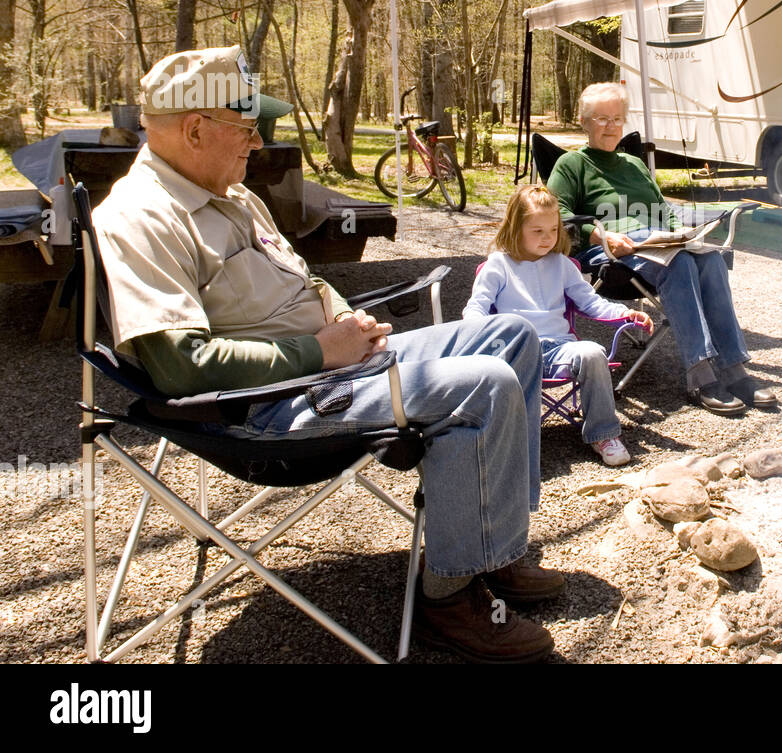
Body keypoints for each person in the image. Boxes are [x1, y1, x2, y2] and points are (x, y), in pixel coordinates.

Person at [93, 45, 560, 664]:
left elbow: (304, 280)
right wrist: (318, 351)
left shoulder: (236, 196)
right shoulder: (140, 216)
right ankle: (449, 599)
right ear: (195, 128)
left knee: (514, 339)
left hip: (336, 364)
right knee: (487, 381)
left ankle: (494, 550)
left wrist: (341, 314)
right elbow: (179, 366)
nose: (256, 142)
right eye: (246, 127)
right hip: (279, 405)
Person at [547, 82, 776, 415]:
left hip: (655, 242)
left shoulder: (634, 164)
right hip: (611, 253)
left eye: (616, 118)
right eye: (601, 119)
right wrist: (602, 237)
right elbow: (556, 214)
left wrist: (681, 231)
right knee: (680, 263)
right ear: (584, 121)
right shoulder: (571, 165)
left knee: (710, 259)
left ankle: (734, 369)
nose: (610, 126)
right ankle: (699, 375)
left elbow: (662, 209)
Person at [464, 184, 652, 467]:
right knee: (502, 365)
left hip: (560, 349)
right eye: (537, 231)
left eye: (553, 230)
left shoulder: (562, 265)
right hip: (517, 348)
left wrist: (626, 313)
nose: (547, 238)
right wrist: (474, 331)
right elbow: (476, 307)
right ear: (516, 228)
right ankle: (511, 439)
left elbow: (591, 302)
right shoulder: (498, 265)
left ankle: (603, 434)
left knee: (591, 353)